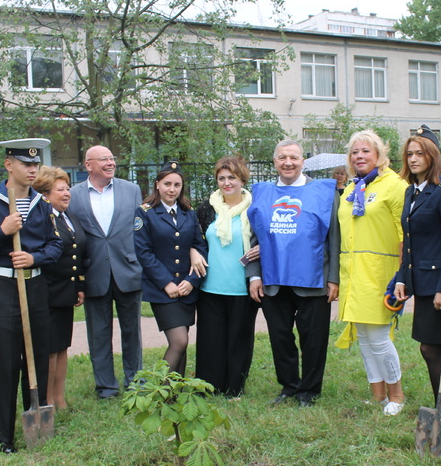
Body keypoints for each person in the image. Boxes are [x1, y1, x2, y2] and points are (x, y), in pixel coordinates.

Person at [0, 138, 62, 453]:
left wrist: (35, 258)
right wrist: (1, 231)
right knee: (6, 362)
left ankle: (36, 416)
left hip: (34, 286)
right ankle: (5, 436)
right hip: (4, 288)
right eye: (26, 164)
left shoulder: (42, 205)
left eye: (36, 164)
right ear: (9, 165)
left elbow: (56, 246)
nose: (33, 170)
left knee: (38, 357)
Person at [247, 140, 340, 407]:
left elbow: (335, 236)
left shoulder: (323, 192)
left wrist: (333, 277)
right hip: (274, 281)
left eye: (294, 157)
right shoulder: (262, 194)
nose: (288, 162)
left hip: (313, 279)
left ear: (303, 161)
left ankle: (309, 390)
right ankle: (289, 386)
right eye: (282, 157)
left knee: (314, 338)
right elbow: (254, 239)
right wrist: (254, 275)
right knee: (280, 337)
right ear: (274, 162)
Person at [393, 125, 441, 417]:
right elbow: (409, 243)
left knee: (433, 349)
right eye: (409, 153)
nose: (413, 159)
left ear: (432, 156)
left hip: (439, 284)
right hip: (421, 282)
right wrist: (401, 279)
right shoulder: (412, 191)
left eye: (420, 153)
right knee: (431, 349)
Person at [334, 130, 408, 416]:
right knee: (364, 336)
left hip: (380, 273)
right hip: (353, 273)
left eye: (366, 151)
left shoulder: (394, 185)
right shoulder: (352, 189)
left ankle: (397, 395)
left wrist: (402, 274)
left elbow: (405, 234)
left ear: (379, 154)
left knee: (379, 337)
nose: (359, 156)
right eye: (354, 152)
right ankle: (378, 394)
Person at [68, 146, 143, 399]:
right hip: (94, 273)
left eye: (112, 158)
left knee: (132, 331)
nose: (111, 163)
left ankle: (136, 381)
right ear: (88, 165)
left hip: (127, 270)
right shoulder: (73, 195)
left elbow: (140, 231)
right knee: (98, 333)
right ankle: (106, 386)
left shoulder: (131, 190)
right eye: (104, 159)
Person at [194, 156, 260, 397]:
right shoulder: (206, 208)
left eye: (231, 177)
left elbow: (267, 238)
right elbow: (195, 239)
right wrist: (192, 250)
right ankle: (209, 386)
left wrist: (263, 247)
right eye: (221, 178)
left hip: (243, 288)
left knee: (239, 341)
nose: (226, 182)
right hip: (211, 287)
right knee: (211, 341)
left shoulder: (255, 208)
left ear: (242, 178)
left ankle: (235, 388)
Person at [134, 161, 208, 376]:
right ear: (157, 184)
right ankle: (160, 391)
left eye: (177, 185)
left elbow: (200, 247)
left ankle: (176, 391)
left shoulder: (188, 213)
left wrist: (191, 281)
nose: (172, 189)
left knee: (182, 343)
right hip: (162, 291)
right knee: (179, 340)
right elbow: (144, 253)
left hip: (186, 290)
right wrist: (166, 283)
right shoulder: (145, 213)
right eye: (167, 184)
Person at [33, 166, 86, 410]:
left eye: (67, 188)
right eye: (60, 189)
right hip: (48, 291)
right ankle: (46, 399)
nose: (67, 194)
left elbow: (78, 252)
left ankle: (59, 396)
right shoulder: (41, 219)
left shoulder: (67, 216)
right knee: (50, 349)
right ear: (45, 194)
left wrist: (79, 285)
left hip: (66, 291)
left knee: (63, 346)